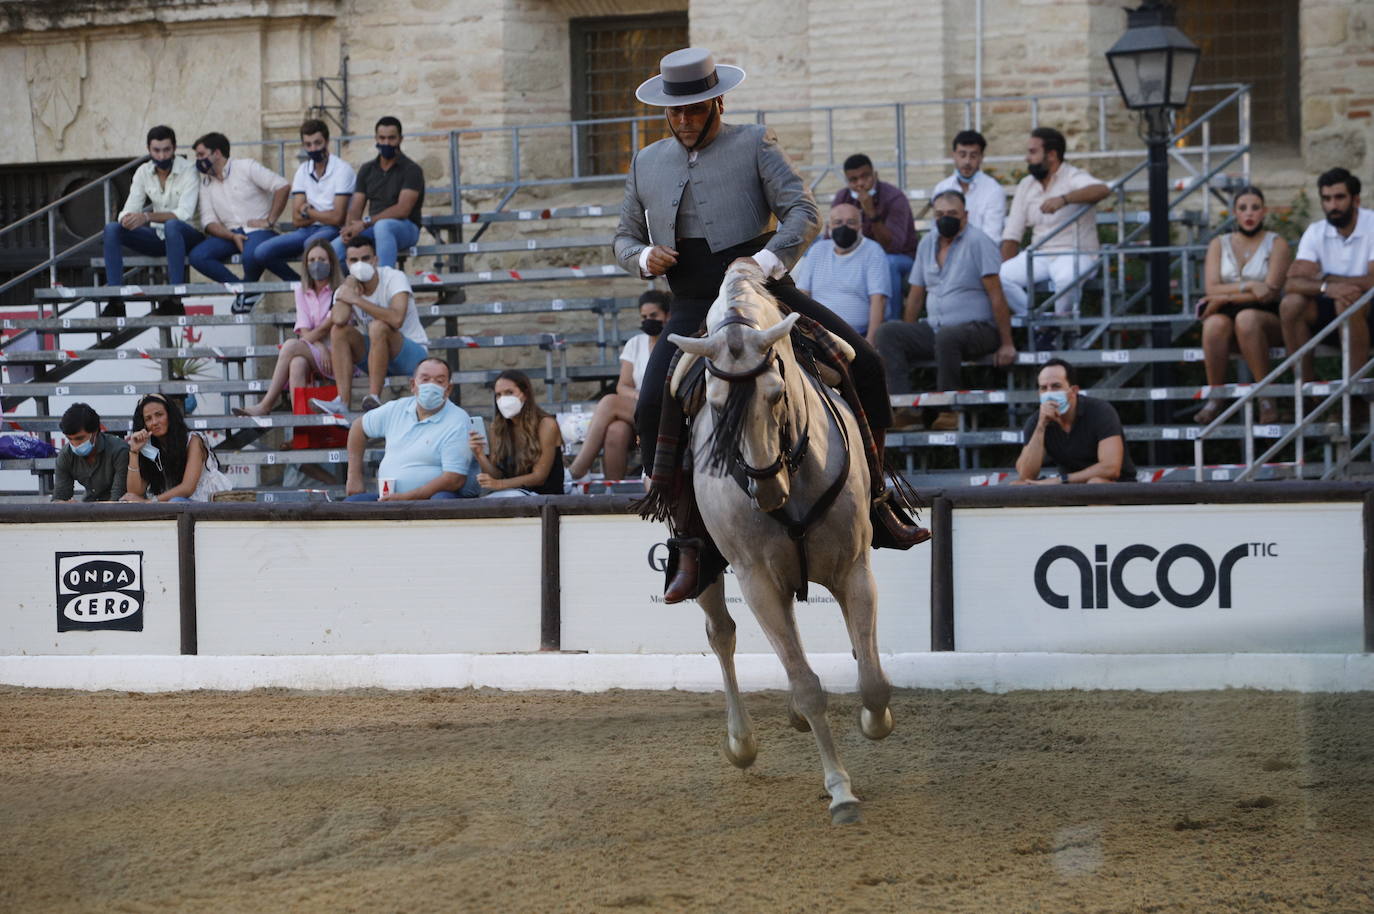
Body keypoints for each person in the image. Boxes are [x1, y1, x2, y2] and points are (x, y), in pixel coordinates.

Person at [614, 47, 926, 603]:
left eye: (695, 110)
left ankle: (879, 502)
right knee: (647, 407)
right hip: (689, 303)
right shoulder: (644, 162)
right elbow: (621, 237)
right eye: (675, 112)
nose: (684, 121)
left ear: (717, 102)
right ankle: (688, 541)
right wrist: (642, 258)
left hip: (767, 292)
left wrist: (761, 264)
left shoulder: (755, 142)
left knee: (870, 366)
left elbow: (804, 211)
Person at [875, 190, 1016, 431]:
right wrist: (909, 333)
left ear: (966, 216)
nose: (945, 218)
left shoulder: (979, 242)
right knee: (888, 333)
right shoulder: (928, 242)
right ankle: (905, 410)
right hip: (937, 328)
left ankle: (948, 410)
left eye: (952, 214)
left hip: (979, 330)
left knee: (948, 336)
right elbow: (916, 294)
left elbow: (997, 295)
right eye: (940, 214)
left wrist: (1007, 343)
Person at [999, 127, 1110, 349]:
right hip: (1039, 253)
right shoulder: (1026, 184)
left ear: (1051, 154)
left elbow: (1101, 190)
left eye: (1032, 152)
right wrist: (1004, 263)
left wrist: (1065, 199)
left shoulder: (1072, 176)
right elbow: (1012, 233)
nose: (1027, 158)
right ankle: (1043, 324)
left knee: (1066, 278)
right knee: (1000, 277)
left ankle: (1061, 328)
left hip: (1075, 253)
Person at [1194, 186, 1292, 425]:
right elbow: (1211, 288)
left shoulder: (1276, 243)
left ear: (1264, 212)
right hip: (1226, 315)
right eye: (1243, 208)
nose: (1249, 214)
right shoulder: (1220, 243)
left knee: (1246, 318)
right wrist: (1248, 287)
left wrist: (1223, 297)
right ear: (1234, 213)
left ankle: (1266, 399)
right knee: (1214, 324)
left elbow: (1269, 292)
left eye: (1255, 208)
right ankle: (1216, 398)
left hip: (1265, 317)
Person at [310, 237, 429, 416]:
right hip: (376, 356)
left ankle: (374, 396)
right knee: (339, 331)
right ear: (347, 263)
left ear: (375, 260)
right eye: (354, 260)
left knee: (377, 327)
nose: (360, 264)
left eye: (365, 259)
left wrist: (356, 300)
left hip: (411, 355)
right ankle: (342, 401)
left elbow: (397, 319)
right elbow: (339, 318)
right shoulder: (348, 286)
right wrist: (349, 287)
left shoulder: (393, 277)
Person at [1279, 167, 1374, 385]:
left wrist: (1327, 278)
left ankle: (1354, 394)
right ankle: (1305, 391)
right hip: (1330, 308)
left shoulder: (1372, 224)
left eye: (1339, 197)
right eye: (1327, 199)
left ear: (1356, 200)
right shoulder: (1315, 231)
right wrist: (1326, 288)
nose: (1333, 205)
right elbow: (1292, 283)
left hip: (1368, 310)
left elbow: (1372, 281)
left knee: (1346, 303)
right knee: (1291, 304)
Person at [234, 239, 350, 416]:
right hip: (316, 352)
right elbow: (304, 329)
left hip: (340, 356)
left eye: (322, 259)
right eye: (311, 260)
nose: (316, 264)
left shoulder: (341, 289)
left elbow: (327, 327)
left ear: (332, 263)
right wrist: (319, 347)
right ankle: (301, 429)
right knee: (296, 363)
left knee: (290, 346)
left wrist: (315, 344)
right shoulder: (301, 290)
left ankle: (266, 405)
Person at [567, 290, 671, 481]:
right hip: (639, 405)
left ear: (667, 315)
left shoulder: (674, 341)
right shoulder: (635, 343)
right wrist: (639, 396)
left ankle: (576, 471)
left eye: (654, 315)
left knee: (609, 402)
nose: (648, 320)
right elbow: (623, 386)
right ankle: (613, 491)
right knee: (616, 430)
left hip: (666, 406)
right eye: (644, 316)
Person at [343, 357, 480, 500]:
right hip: (388, 497)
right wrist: (354, 476)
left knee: (441, 501)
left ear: (448, 389)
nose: (431, 385)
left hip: (431, 499)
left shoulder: (457, 420)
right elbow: (359, 426)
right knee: (351, 504)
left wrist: (406, 497)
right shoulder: (396, 408)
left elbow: (454, 479)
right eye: (425, 379)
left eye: (439, 381)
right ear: (413, 385)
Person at [101, 125, 203, 315]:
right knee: (112, 229)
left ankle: (175, 299)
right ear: (149, 150)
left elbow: (184, 214)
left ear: (174, 148)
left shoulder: (189, 170)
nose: (162, 156)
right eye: (156, 150)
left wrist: (146, 216)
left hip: (189, 237)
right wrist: (128, 219)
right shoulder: (143, 172)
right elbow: (128, 209)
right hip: (160, 237)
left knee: (173, 225)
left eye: (166, 150)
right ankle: (116, 301)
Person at [187, 131, 293, 313]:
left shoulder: (246, 167)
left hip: (259, 231)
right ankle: (245, 290)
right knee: (197, 256)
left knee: (252, 254)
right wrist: (231, 235)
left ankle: (290, 284)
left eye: (201, 155)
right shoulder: (206, 183)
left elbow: (282, 185)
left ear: (217, 153)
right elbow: (208, 221)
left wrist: (270, 220)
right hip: (231, 234)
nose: (198, 160)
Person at [251, 119, 356, 282]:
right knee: (262, 252)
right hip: (306, 229)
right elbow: (296, 219)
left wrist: (308, 211)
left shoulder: (342, 169)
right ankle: (301, 286)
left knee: (311, 245)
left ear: (327, 142)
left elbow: (337, 218)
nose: (313, 148)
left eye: (317, 143)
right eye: (308, 144)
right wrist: (321, 214)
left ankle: (316, 289)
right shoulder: (302, 170)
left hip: (333, 230)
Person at [1014, 358, 1135, 484]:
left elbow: (1111, 468)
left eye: (1056, 386)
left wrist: (1062, 479)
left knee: (1095, 483)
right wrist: (1041, 426)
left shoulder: (1100, 411)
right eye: (1044, 388)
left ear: (1073, 391)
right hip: (1069, 487)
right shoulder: (1037, 420)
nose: (1049, 393)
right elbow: (1025, 475)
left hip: (1116, 486)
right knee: (1017, 486)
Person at [829, 153, 918, 318]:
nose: (860, 184)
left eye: (865, 177)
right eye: (854, 180)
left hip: (900, 258)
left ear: (874, 175)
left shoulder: (894, 198)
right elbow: (831, 239)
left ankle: (892, 324)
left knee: (887, 263)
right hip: (858, 256)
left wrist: (871, 213)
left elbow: (893, 246)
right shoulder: (843, 197)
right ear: (848, 182)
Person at [333, 116, 425, 268]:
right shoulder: (367, 169)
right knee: (331, 251)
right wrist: (350, 229)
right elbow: (356, 206)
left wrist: (365, 223)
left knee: (384, 226)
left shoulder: (412, 170)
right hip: (372, 228)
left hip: (405, 228)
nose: (386, 143)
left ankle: (385, 283)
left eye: (391, 138)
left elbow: (403, 209)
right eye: (382, 138)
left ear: (400, 139)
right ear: (376, 138)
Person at [792, 202, 890, 341]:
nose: (844, 227)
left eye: (851, 222)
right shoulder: (817, 250)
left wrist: (871, 341)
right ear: (829, 227)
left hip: (857, 336)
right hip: (817, 334)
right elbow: (803, 293)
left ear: (860, 227)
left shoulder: (873, 251)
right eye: (838, 222)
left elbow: (879, 300)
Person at [469, 370, 565, 496]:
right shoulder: (497, 428)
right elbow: (497, 475)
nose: (503, 399)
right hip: (510, 496)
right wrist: (480, 455)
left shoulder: (546, 424)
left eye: (509, 392)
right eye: (498, 395)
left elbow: (539, 477)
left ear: (525, 394)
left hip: (544, 498)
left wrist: (500, 485)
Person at [121, 394, 224, 502]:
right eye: (148, 419)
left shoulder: (193, 440)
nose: (154, 422)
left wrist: (150, 502)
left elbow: (187, 489)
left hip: (204, 503)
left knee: (176, 502)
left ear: (170, 416)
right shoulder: (149, 447)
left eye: (159, 415)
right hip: (169, 506)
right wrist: (134, 452)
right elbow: (135, 494)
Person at [931, 130, 1006, 242]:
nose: (967, 161)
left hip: (980, 253)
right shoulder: (942, 188)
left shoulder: (994, 190)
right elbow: (936, 231)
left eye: (973, 156)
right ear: (954, 155)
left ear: (981, 157)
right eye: (962, 155)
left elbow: (991, 237)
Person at [52, 403, 129, 502]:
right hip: (88, 507)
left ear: (95, 432)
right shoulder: (65, 455)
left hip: (122, 510)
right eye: (69, 439)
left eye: (79, 438)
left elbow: (118, 499)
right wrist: (64, 505)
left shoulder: (119, 450)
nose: (75, 444)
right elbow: (59, 496)